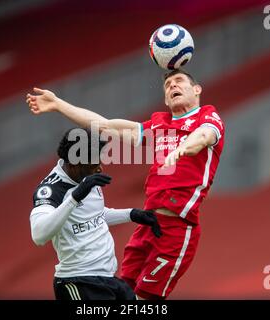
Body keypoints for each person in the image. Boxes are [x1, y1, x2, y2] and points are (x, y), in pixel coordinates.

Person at [26, 69, 225, 299]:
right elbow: (106, 126)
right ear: (165, 99)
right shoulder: (159, 126)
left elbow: (203, 137)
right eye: (168, 85)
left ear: (197, 89)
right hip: (148, 224)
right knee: (123, 294)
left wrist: (180, 150)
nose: (172, 86)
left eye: (179, 81)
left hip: (177, 227)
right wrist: (59, 104)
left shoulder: (208, 117)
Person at [29, 128, 162, 300]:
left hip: (107, 279)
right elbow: (39, 235)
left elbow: (94, 216)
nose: (99, 167)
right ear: (75, 164)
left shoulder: (88, 177)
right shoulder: (51, 189)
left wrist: (132, 214)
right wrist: (74, 197)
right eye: (94, 164)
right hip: (79, 282)